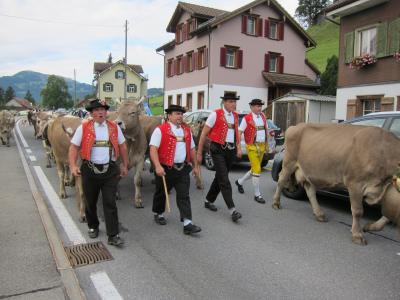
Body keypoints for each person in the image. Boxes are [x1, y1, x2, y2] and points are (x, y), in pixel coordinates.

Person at [69, 99, 128, 247]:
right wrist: (72, 165)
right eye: (96, 110)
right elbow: (74, 147)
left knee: (110, 201)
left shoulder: (114, 127)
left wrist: (125, 165)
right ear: (91, 113)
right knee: (90, 201)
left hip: (110, 170)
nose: (100, 112)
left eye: (102, 110)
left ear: (106, 112)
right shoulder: (84, 128)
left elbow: (123, 147)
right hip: (89, 169)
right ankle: (93, 225)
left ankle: (113, 234)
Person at [149, 104, 201, 235]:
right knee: (161, 192)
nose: (180, 116)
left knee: (184, 195)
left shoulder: (187, 130)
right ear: (169, 116)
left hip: (183, 168)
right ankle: (158, 213)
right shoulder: (160, 130)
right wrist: (157, 166)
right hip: (166, 168)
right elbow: (153, 149)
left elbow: (192, 149)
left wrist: (195, 166)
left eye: (181, 114)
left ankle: (187, 223)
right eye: (177, 114)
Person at [196, 91, 242, 222]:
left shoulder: (235, 116)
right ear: (225, 102)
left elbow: (237, 134)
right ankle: (232, 210)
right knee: (224, 179)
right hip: (217, 150)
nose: (234, 104)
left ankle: (208, 200)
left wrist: (238, 147)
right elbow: (204, 134)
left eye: (235, 102)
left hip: (230, 151)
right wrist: (199, 153)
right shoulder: (215, 114)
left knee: (219, 177)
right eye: (231, 102)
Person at [235, 99, 269, 204]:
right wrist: (239, 147)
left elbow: (266, 130)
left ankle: (239, 182)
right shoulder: (247, 118)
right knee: (257, 169)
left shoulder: (263, 116)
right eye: (257, 106)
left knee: (254, 169)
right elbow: (239, 132)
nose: (259, 108)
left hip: (262, 146)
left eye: (260, 106)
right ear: (252, 107)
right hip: (252, 147)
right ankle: (257, 194)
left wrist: (267, 145)